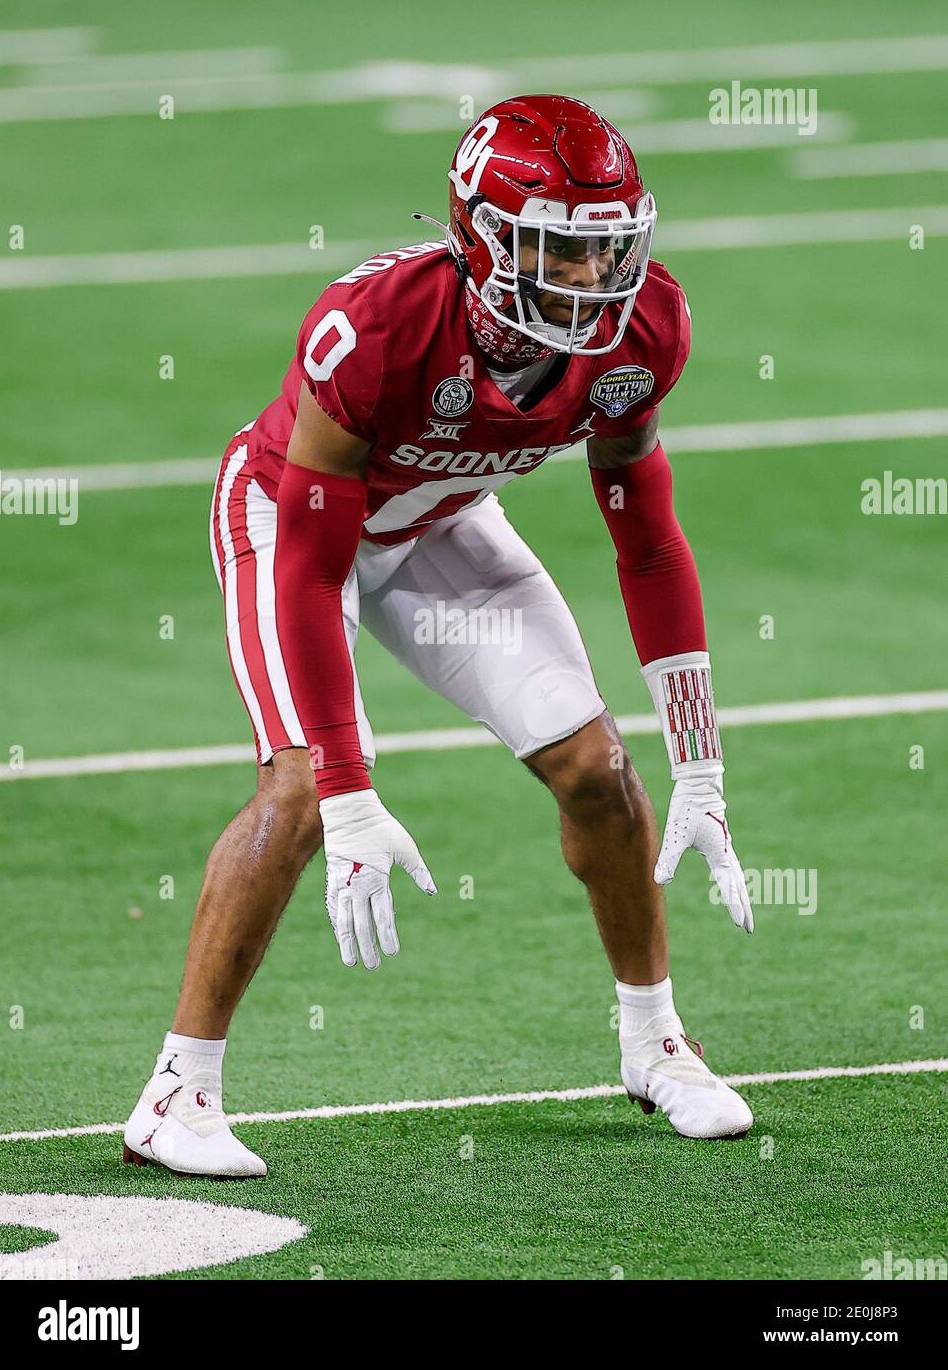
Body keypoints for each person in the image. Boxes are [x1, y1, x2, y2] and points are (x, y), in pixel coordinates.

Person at [124, 94, 753, 1178]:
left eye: (608, 252)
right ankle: (177, 1091)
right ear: (485, 241)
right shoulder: (375, 329)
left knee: (601, 770)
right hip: (292, 520)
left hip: (439, 520)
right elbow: (317, 563)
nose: (593, 283)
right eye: (560, 253)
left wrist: (699, 754)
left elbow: (647, 539)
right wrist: (352, 784)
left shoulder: (644, 334)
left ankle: (655, 1042)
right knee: (298, 790)